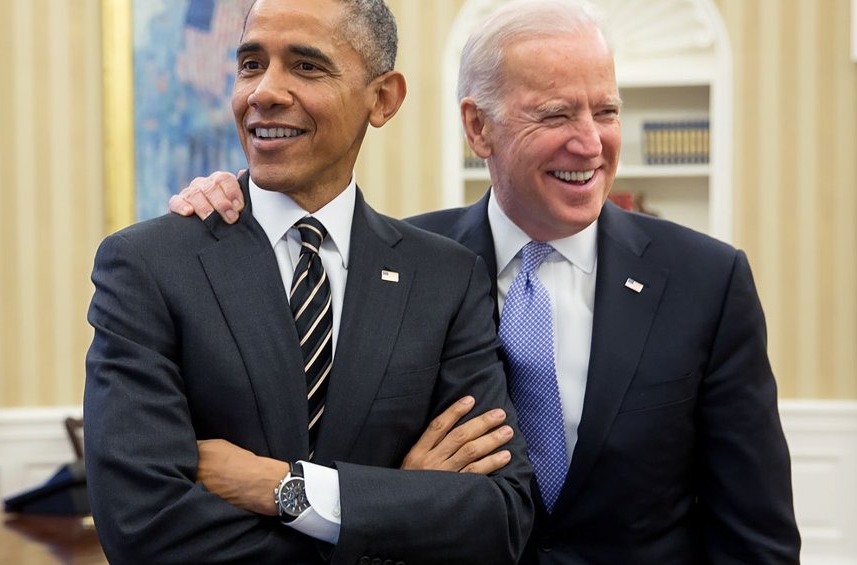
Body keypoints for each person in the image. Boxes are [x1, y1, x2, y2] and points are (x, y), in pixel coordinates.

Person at [171, 0, 803, 562]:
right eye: (555, 115)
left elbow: (756, 534)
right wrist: (233, 209)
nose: (590, 143)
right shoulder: (396, 262)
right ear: (479, 128)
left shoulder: (707, 280)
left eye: (605, 111)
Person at [84, 0, 535, 563]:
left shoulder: (445, 279)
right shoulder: (147, 266)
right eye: (250, 64)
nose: (263, 92)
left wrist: (281, 488)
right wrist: (386, 511)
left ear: (384, 98)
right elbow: (142, 528)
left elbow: (499, 516)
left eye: (306, 66)